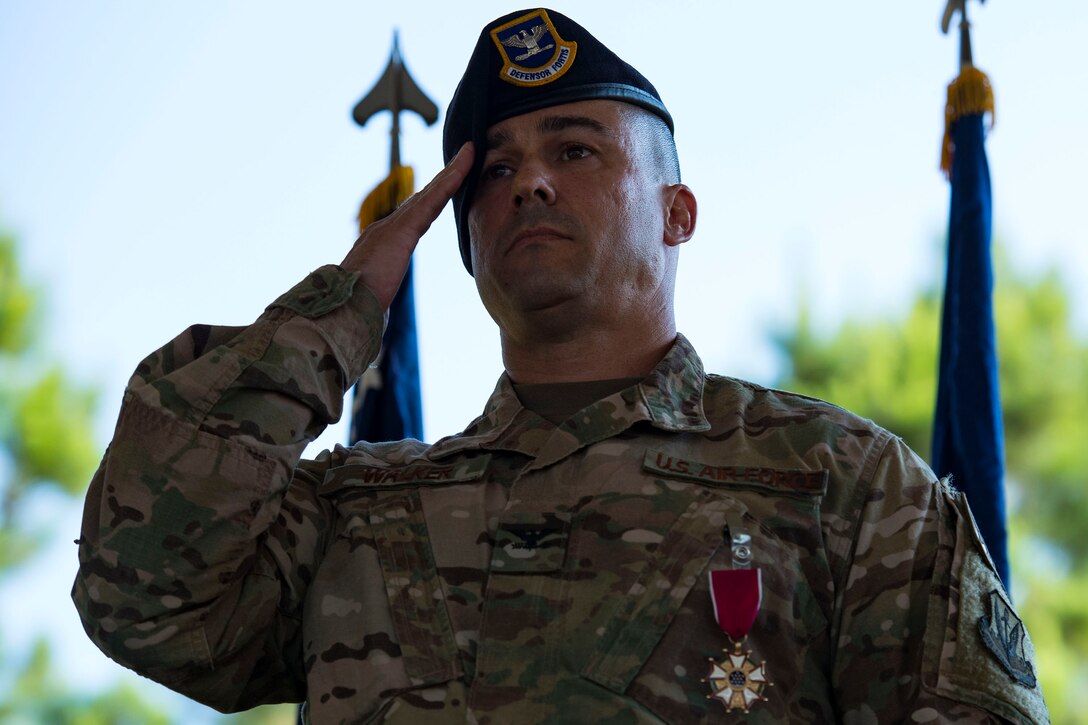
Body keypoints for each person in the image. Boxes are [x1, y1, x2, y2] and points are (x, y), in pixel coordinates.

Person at [72, 8, 1048, 724]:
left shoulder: (844, 486)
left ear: (676, 212)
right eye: (494, 169)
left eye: (575, 150)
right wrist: (340, 308)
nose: (529, 181)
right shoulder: (353, 513)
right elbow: (145, 597)